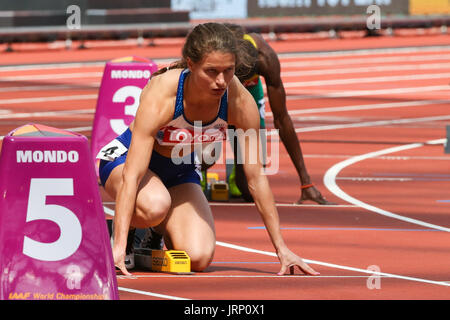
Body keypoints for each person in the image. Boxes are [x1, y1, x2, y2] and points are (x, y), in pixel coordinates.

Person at [97, 22, 319, 277]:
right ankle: (120, 230)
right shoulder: (163, 92)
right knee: (154, 205)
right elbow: (133, 175)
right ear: (190, 64)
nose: (221, 81)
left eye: (228, 70)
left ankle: (152, 232)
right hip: (126, 163)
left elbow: (256, 178)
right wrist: (118, 246)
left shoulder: (240, 102)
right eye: (211, 71)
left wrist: (282, 248)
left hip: (178, 173)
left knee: (199, 257)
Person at [216, 24, 335, 205]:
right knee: (203, 157)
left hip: (250, 95)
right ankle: (193, 174)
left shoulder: (265, 58)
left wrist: (306, 182)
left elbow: (282, 119)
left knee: (249, 191)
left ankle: (235, 173)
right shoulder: (213, 57)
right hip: (216, 89)